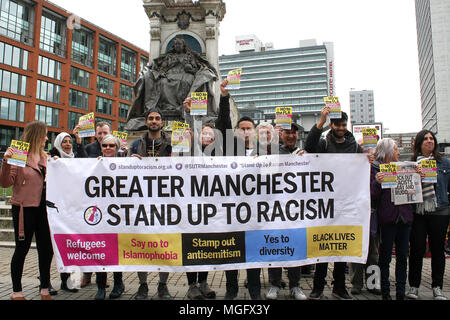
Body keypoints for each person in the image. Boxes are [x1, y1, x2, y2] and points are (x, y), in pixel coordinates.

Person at [304, 107, 363, 300]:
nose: (341, 128)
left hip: (345, 203)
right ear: (332, 125)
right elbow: (310, 146)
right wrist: (320, 121)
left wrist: (368, 159)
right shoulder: (323, 142)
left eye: (344, 125)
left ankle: (339, 287)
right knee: (322, 245)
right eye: (338, 125)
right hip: (324, 202)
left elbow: (362, 168)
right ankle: (318, 287)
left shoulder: (354, 146)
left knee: (342, 247)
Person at [0, 121, 53, 300]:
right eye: (44, 134)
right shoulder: (19, 155)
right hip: (24, 208)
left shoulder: (46, 157)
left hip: (43, 210)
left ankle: (44, 288)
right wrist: (6, 162)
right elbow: (5, 183)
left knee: (46, 249)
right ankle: (16, 291)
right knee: (22, 249)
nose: (47, 138)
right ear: (36, 135)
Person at [126, 37, 218, 131]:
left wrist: (190, 69)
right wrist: (163, 71)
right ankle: (168, 106)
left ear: (183, 46)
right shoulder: (169, 57)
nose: (178, 46)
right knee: (163, 82)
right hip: (170, 75)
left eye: (180, 44)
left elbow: (196, 68)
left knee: (185, 82)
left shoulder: (190, 56)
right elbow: (162, 68)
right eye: (176, 44)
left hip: (186, 75)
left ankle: (183, 107)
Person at [129, 107, 173, 300]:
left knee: (165, 246)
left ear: (162, 122)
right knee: (142, 245)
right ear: (146, 122)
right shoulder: (136, 144)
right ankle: (143, 285)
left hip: (166, 200)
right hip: (142, 201)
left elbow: (185, 162)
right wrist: (128, 160)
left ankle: (162, 285)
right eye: (151, 118)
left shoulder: (172, 143)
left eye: (157, 118)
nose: (154, 121)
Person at [265, 123, 308, 300]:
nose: (290, 136)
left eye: (293, 133)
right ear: (281, 135)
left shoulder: (304, 154)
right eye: (287, 133)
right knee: (275, 246)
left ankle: (295, 286)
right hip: (274, 209)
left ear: (297, 135)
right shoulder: (274, 152)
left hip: (296, 210)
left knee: (294, 248)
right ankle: (274, 285)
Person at [407, 130, 450, 300]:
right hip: (418, 211)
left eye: (432, 138)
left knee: (438, 250)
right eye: (425, 139)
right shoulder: (410, 163)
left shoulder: (444, 163)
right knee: (417, 248)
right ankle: (414, 286)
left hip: (440, 211)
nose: (429, 141)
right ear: (419, 143)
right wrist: (415, 177)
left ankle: (437, 287)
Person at [372, 138, 414, 300]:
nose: (398, 152)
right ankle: (386, 293)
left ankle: (401, 292)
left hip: (404, 219)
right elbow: (372, 195)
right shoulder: (376, 169)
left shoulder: (405, 168)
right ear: (388, 151)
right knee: (385, 258)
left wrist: (418, 176)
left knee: (403, 257)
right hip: (388, 220)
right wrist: (377, 182)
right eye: (396, 149)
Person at [48, 131, 87, 294]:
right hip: (58, 208)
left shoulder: (75, 158)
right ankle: (47, 281)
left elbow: (86, 163)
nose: (67, 144)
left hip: (74, 208)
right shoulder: (52, 160)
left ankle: (68, 281)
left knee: (71, 245)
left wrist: (79, 142)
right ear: (58, 144)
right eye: (64, 142)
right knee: (56, 246)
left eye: (69, 142)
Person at [92, 134, 125, 300]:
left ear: (117, 147)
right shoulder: (95, 163)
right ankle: (100, 287)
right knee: (101, 251)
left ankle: (118, 283)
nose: (108, 148)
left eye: (112, 145)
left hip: (118, 214)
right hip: (101, 214)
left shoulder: (125, 164)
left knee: (116, 251)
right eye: (105, 146)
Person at [80, 121, 112, 288]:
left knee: (104, 242)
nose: (101, 136)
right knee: (90, 240)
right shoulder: (88, 149)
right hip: (91, 200)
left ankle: (103, 275)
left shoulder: (116, 148)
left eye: (104, 132)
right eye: (99, 133)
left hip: (108, 201)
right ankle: (86, 274)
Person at [350, 141, 381, 296]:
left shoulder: (377, 169)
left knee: (373, 253)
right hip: (355, 214)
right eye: (364, 147)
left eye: (371, 147)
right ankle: (356, 284)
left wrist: (377, 182)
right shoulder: (351, 169)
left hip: (372, 215)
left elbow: (377, 194)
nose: (368, 150)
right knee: (356, 251)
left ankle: (372, 283)